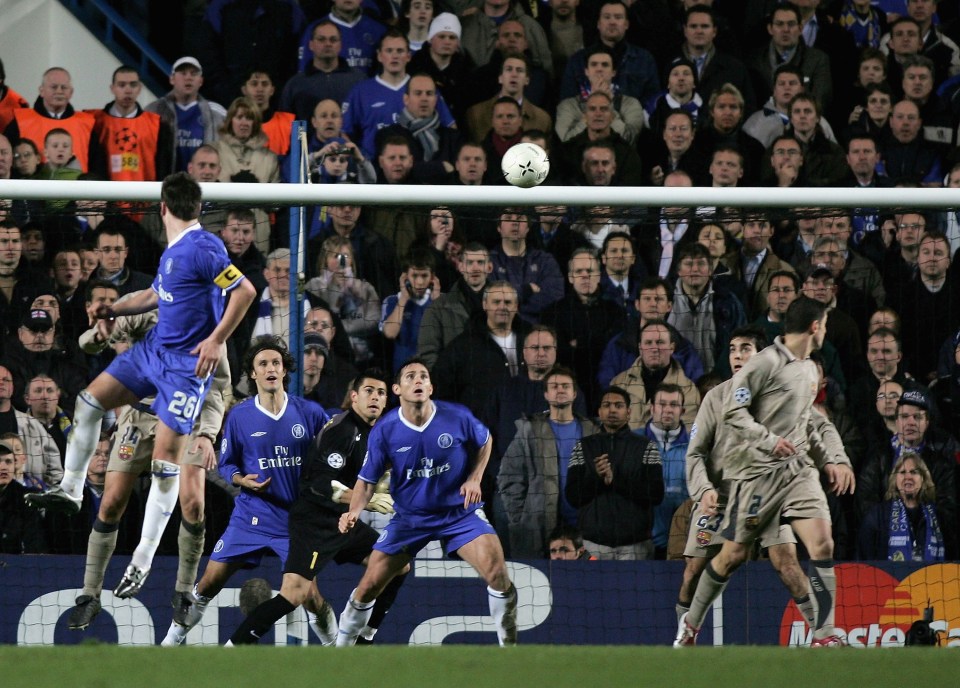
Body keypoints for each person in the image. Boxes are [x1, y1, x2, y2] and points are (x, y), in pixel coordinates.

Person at [25, 170, 257, 594]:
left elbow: (245, 291)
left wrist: (215, 340)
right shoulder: (174, 252)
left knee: (165, 465)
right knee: (90, 401)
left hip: (185, 373)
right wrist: (115, 309)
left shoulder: (205, 247)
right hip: (152, 355)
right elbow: (153, 294)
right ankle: (72, 488)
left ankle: (144, 558)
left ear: (162, 207)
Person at [675, 296, 856, 648]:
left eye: (745, 349)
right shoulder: (717, 397)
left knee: (789, 562)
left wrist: (837, 459)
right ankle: (684, 629)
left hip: (774, 484)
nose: (738, 356)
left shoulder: (789, 377)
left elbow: (819, 426)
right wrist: (703, 491)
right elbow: (694, 453)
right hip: (720, 495)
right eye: (732, 349)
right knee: (695, 570)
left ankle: (823, 636)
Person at [65, 293, 230, 630]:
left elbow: (218, 388)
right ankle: (89, 594)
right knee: (110, 503)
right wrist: (97, 333)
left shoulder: (213, 334)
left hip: (188, 423)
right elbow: (93, 341)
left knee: (193, 503)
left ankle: (184, 591)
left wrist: (207, 434)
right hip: (138, 419)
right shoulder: (147, 313)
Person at [160, 337, 330, 646]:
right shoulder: (239, 416)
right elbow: (225, 464)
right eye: (262, 364)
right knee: (208, 582)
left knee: (312, 598)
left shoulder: (310, 413)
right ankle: (171, 642)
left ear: (284, 370)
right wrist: (241, 479)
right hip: (251, 515)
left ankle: (338, 647)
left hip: (295, 523)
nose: (270, 369)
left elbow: (335, 452)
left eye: (275, 363)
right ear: (252, 373)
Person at [337, 359, 518, 646]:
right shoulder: (385, 431)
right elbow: (367, 481)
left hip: (458, 514)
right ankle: (339, 650)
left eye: (423, 376)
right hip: (410, 519)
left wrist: (475, 478)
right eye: (410, 376)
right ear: (398, 389)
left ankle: (509, 649)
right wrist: (354, 512)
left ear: (431, 387)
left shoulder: (457, 416)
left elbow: (485, 441)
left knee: (498, 574)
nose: (418, 380)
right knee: (369, 586)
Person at [224, 369, 408, 645]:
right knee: (294, 593)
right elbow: (319, 484)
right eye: (369, 391)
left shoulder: (374, 434)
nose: (375, 397)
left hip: (342, 522)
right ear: (354, 396)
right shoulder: (342, 431)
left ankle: (364, 639)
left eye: (381, 393)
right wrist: (365, 500)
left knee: (398, 563)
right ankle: (232, 648)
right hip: (314, 522)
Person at [498, 366, 598, 558]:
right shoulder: (529, 431)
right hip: (538, 525)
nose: (560, 390)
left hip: (583, 523)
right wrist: (520, 518)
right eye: (554, 386)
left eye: (565, 386)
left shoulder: (591, 431)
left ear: (575, 393)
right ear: (546, 393)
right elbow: (509, 476)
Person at [565, 385, 665, 559]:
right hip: (593, 544)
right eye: (606, 405)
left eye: (618, 405)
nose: (612, 409)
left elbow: (656, 494)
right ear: (599, 411)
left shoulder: (646, 446)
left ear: (628, 412)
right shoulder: (583, 446)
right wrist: (597, 478)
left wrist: (615, 480)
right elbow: (573, 497)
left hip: (635, 546)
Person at [416, 243, 492, 369]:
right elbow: (428, 353)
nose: (475, 268)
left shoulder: (504, 305)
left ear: (489, 267)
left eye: (480, 262)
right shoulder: (438, 308)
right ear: (460, 266)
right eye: (469, 263)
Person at [858, 452, 946, 561]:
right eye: (903, 472)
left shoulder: (938, 517)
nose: (908, 477)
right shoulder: (877, 516)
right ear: (895, 480)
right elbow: (864, 558)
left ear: (923, 479)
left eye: (914, 472)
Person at [146, 57, 227, 173]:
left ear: (201, 81)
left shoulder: (218, 113)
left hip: (204, 187)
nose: (188, 78)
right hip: (166, 185)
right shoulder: (153, 111)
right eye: (183, 73)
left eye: (193, 74)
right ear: (172, 79)